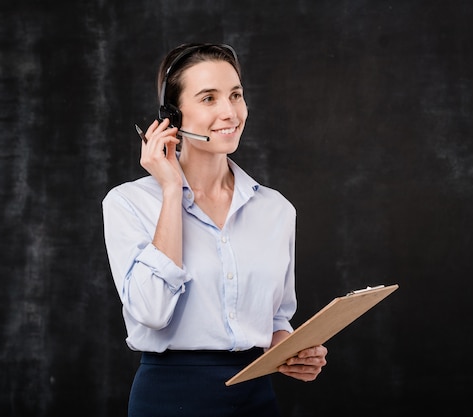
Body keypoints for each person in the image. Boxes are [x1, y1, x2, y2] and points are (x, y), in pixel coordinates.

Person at [102, 43, 327, 417]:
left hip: (256, 396)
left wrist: (293, 350)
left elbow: (274, 319)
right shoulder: (128, 203)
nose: (229, 112)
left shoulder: (276, 209)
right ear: (172, 116)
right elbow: (153, 312)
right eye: (208, 98)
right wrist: (172, 190)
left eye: (235, 95)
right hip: (170, 398)